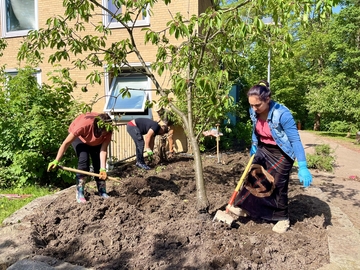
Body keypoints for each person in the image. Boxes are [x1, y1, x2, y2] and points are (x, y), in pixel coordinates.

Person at [230, 80, 313, 233]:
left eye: (257, 105)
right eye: (251, 105)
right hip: (264, 148)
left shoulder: (282, 114)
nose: (254, 109)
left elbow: (295, 140)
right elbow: (255, 128)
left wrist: (303, 165)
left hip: (282, 151)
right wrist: (254, 143)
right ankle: (246, 208)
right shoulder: (253, 110)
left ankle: (282, 218)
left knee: (278, 184)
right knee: (254, 176)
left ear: (267, 99)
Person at [47, 112, 113, 203]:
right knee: (84, 159)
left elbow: (103, 149)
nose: (104, 134)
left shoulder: (109, 129)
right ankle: (80, 192)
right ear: (97, 128)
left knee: (97, 163)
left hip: (95, 143)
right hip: (80, 138)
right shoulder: (83, 126)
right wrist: (56, 160)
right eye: (102, 132)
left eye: (105, 132)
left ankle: (102, 191)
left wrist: (103, 168)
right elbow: (66, 143)